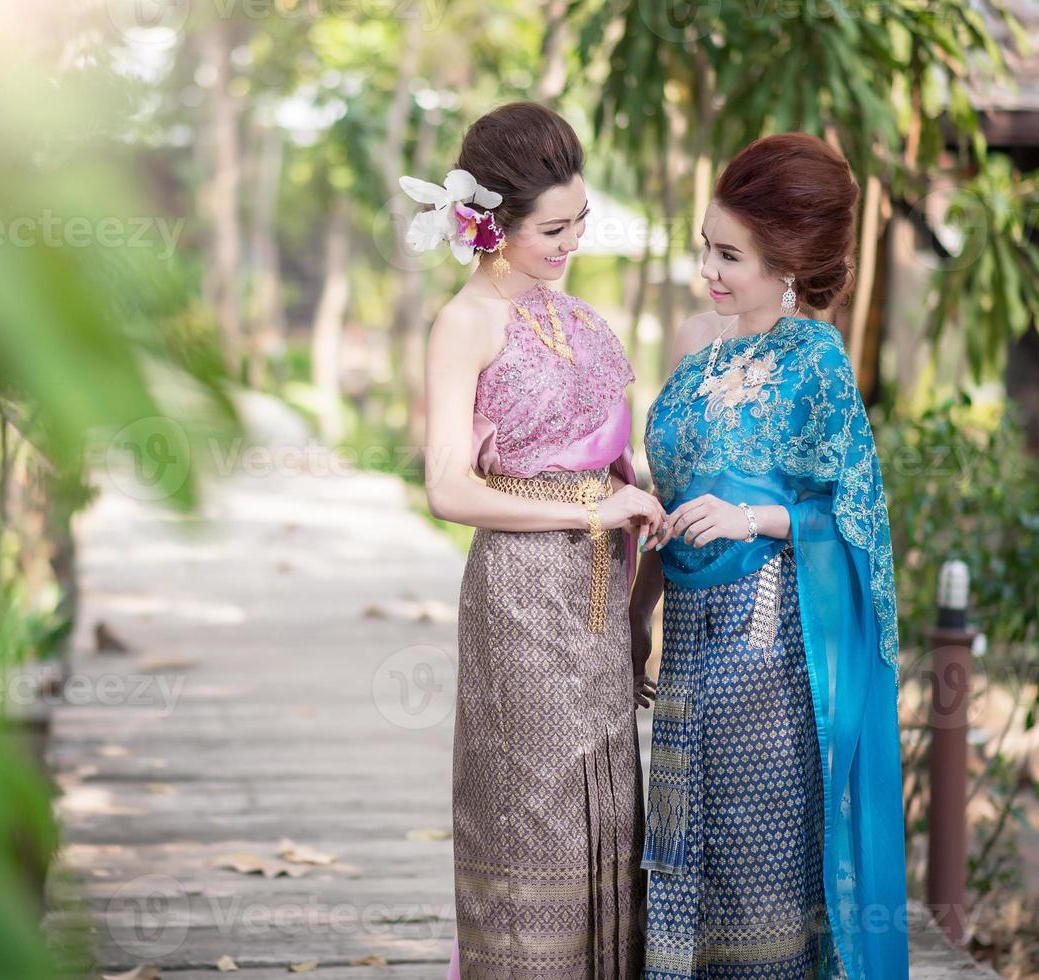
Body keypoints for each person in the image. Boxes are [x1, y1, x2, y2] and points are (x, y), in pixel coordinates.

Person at [634, 132, 909, 978]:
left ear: (785, 262)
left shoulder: (815, 361)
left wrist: (754, 517)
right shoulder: (691, 340)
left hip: (769, 648)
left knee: (758, 878)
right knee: (680, 857)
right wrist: (634, 613)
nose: (709, 272)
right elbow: (670, 491)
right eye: (705, 248)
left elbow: (856, 516)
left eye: (730, 256)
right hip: (685, 643)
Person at [409, 101, 664, 979]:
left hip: (600, 592)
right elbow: (447, 486)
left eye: (579, 222)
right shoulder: (465, 323)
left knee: (607, 799)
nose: (570, 244)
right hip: (520, 597)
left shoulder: (580, 318)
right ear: (492, 224)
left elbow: (604, 451)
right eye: (553, 229)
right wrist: (587, 513)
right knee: (535, 805)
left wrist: (636, 488)